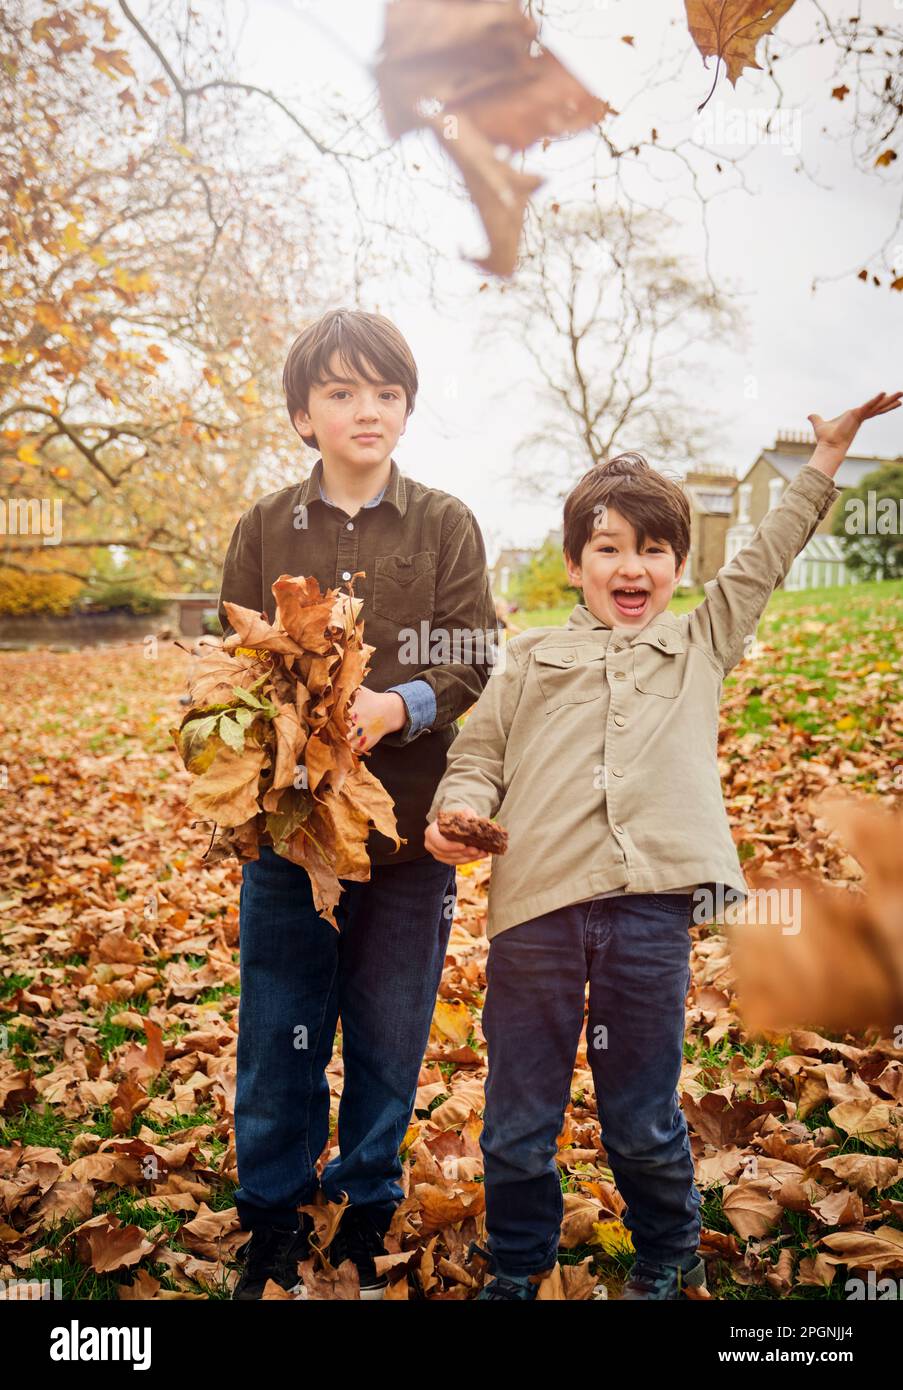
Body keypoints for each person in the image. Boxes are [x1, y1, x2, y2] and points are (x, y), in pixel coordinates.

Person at [424, 391, 901, 1301]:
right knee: (520, 1117)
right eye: (607, 547)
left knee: (640, 1112)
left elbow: (763, 559)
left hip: (649, 915)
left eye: (651, 549)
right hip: (536, 912)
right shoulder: (528, 658)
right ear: (574, 564)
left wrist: (826, 457)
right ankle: (519, 1267)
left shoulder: (700, 641)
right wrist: (454, 815)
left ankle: (668, 1254)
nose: (630, 565)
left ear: (679, 565)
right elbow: (477, 757)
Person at [219, 307, 498, 1299]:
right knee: (279, 1026)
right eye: (340, 392)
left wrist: (394, 703)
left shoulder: (444, 523)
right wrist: (277, 721)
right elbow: (240, 659)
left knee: (389, 1027)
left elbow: (476, 652)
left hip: (408, 835)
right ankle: (273, 1214)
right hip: (292, 832)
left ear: (408, 407)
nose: (365, 409)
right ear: (303, 415)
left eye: (385, 392)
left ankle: (368, 1201)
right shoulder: (261, 528)